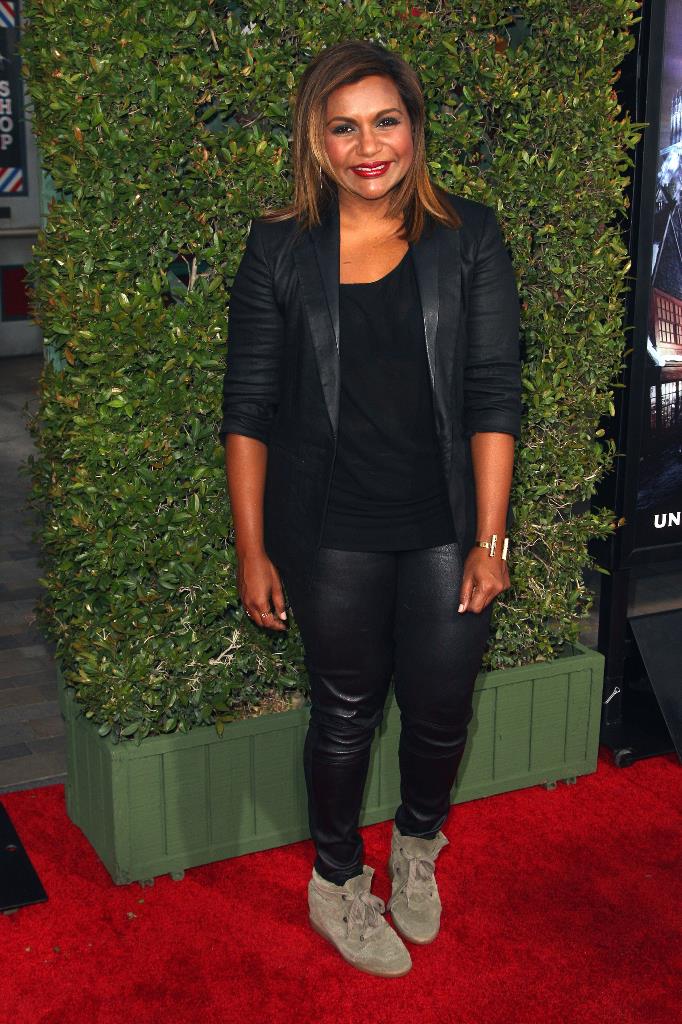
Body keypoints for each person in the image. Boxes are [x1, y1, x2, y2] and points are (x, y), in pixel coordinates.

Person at [219, 39, 522, 978]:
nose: (367, 146)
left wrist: (490, 538)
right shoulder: (278, 247)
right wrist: (252, 550)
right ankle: (337, 880)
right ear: (317, 139)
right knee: (345, 713)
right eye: (343, 127)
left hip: (442, 526)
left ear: (414, 128)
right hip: (329, 530)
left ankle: (418, 845)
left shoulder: (469, 236)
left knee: (440, 709)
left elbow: (493, 395)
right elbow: (248, 409)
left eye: (385, 121)